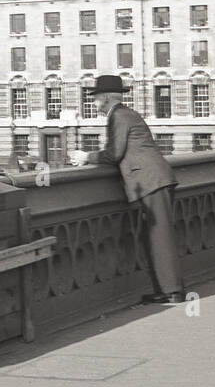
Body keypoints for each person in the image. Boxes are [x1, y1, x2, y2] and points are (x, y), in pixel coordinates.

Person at [68, 75, 184, 303]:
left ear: (106, 98)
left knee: (159, 237)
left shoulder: (119, 116)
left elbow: (114, 153)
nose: (93, 103)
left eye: (96, 98)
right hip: (152, 180)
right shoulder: (124, 114)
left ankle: (172, 292)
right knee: (155, 237)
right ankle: (166, 290)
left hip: (150, 181)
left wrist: (86, 156)